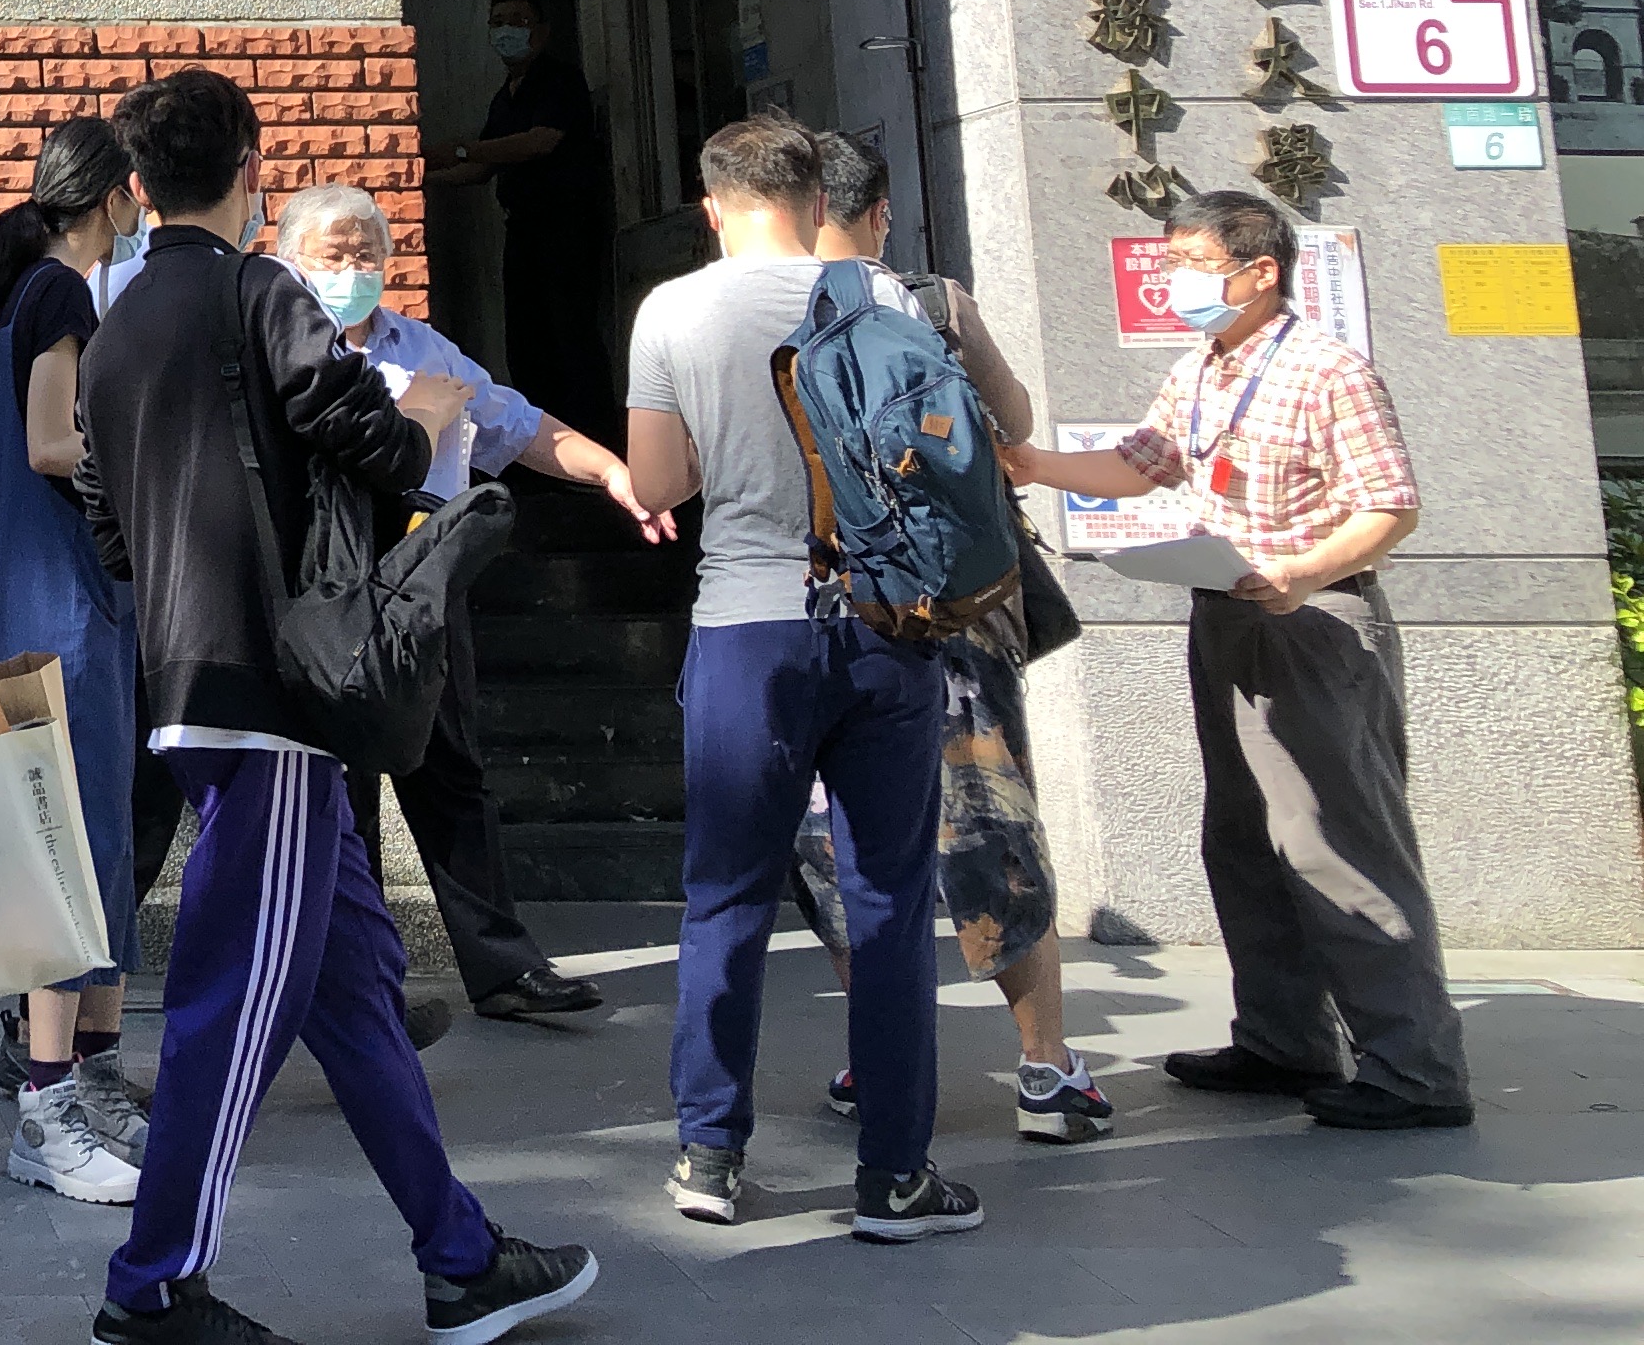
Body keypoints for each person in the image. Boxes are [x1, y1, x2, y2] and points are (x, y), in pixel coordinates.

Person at [75, 68, 596, 1345]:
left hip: (190, 676)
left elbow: (109, 524)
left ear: (137, 187)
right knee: (230, 1000)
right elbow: (382, 446)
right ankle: (153, 1286)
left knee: (354, 988)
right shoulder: (263, 293)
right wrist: (425, 417)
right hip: (280, 692)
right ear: (253, 172)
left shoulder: (118, 324)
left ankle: (462, 1258)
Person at [1000, 188, 1468, 1130]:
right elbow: (1141, 463)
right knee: (1244, 837)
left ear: (1260, 272)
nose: (1175, 282)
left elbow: (1390, 506)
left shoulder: (1329, 372)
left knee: (1334, 838)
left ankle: (1415, 1069)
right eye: (1170, 263)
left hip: (1313, 621)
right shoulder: (1203, 368)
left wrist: (1303, 571)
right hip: (1226, 613)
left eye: (1193, 265)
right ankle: (1284, 1040)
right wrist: (1033, 463)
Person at [617, 113, 976, 1240]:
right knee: (889, 902)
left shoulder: (673, 310)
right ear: (819, 201)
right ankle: (896, 1175)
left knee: (726, 895)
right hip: (885, 625)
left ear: (712, 206)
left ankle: (710, 1154)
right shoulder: (887, 297)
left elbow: (656, 483)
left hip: (747, 630)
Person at [784, 135, 1110, 1143]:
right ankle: (1046, 1071)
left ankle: (876, 1058)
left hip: (829, 612)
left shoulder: (767, 311)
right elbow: (1010, 427)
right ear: (879, 213)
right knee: (990, 823)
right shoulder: (932, 305)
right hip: (954, 614)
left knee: (838, 839)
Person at [273, 183, 649, 1029]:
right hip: (329, 587)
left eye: (367, 253)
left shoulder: (424, 347)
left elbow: (517, 425)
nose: (353, 269)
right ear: (291, 260)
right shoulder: (284, 345)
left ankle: (505, 967)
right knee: (341, 787)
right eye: (334, 255)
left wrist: (611, 472)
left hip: (425, 580)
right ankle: (365, 983)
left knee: (452, 773)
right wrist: (412, 415)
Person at [0, 118, 152, 1203]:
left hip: (62, 606)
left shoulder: (36, 288)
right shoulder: (61, 292)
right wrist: (154, 451)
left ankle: (93, 1080)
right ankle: (52, 1102)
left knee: (99, 847)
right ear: (115, 193)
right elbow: (49, 443)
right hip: (65, 616)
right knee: (73, 855)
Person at [422, 0, 616, 439]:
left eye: (518, 21)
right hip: (524, 229)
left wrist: (461, 149)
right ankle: (540, 445)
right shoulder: (504, 98)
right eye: (498, 22)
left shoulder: (560, 81)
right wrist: (418, 176)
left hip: (566, 228)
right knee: (528, 343)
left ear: (541, 32)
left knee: (571, 337)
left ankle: (597, 442)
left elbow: (539, 142)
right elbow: (481, 170)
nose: (506, 30)